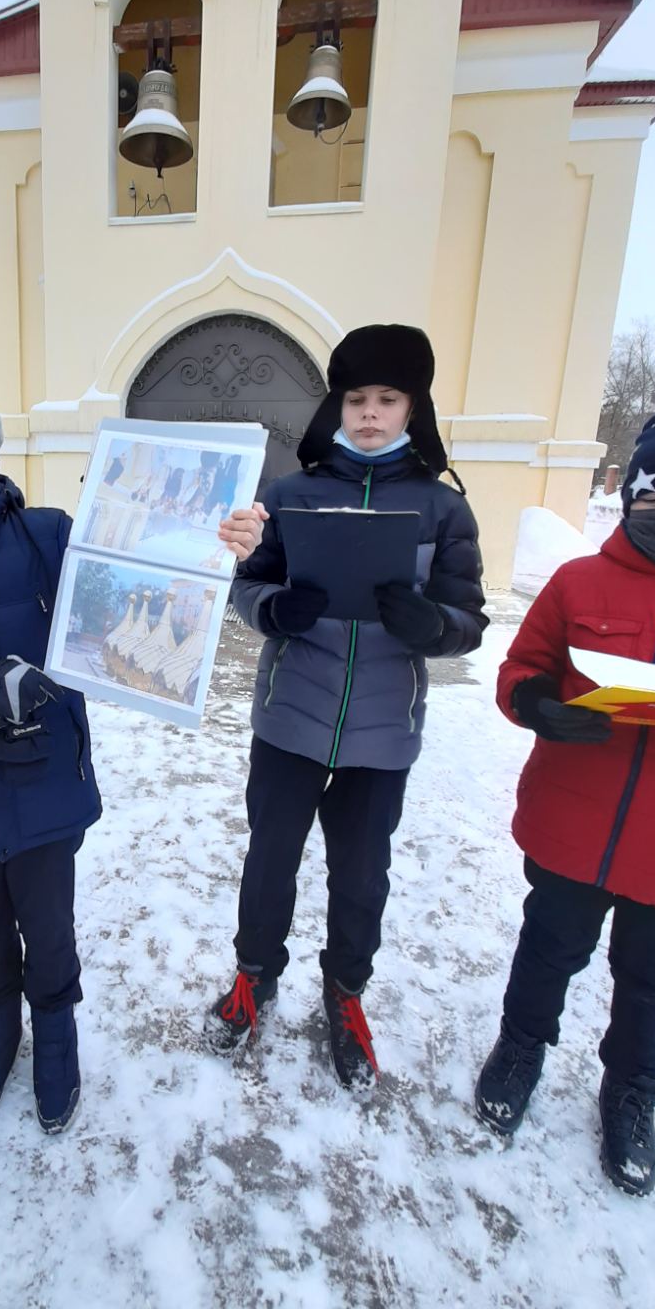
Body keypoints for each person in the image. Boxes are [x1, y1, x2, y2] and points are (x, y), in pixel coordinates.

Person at [0, 395, 265, 1135]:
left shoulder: (45, 537)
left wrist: (225, 545)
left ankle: (56, 1035)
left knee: (47, 928)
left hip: (44, 780)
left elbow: (140, 567)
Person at [204, 325, 487, 1087]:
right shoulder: (291, 494)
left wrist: (434, 626)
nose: (369, 414)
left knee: (361, 877)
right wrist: (275, 610)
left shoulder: (442, 510)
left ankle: (346, 994)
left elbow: (468, 620)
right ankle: (254, 976)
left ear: (413, 407)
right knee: (269, 860)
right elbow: (247, 585)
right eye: (356, 398)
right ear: (337, 404)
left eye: (387, 399)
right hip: (291, 717)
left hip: (382, 734)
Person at [475, 402, 655, 1195]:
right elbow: (520, 669)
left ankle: (632, 1093)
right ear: (631, 497)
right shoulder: (578, 580)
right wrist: (536, 707)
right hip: (574, 815)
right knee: (546, 949)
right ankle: (519, 1049)